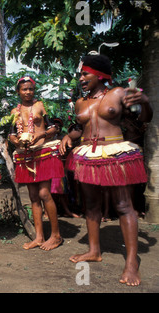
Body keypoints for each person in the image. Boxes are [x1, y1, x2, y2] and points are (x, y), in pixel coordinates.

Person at [60, 54, 152, 286]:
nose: (80, 78)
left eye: (85, 73)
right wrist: (66, 136)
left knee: (123, 205)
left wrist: (146, 102)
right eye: (80, 74)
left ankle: (131, 262)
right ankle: (94, 250)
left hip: (115, 153)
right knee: (90, 205)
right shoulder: (80, 102)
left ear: (100, 75)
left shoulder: (118, 93)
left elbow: (143, 119)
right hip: (88, 155)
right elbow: (80, 128)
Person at [8, 76, 64, 251]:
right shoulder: (14, 112)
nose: (28, 92)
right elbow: (11, 134)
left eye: (31, 89)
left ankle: (56, 236)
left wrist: (41, 135)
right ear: (18, 91)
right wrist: (16, 142)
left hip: (43, 153)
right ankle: (39, 236)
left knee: (44, 193)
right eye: (24, 89)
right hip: (25, 155)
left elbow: (54, 127)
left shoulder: (41, 105)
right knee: (33, 196)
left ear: (34, 90)